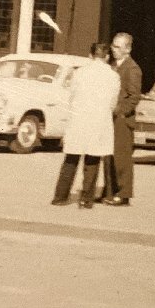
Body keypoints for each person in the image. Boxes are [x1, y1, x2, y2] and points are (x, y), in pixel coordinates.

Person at [52, 43, 120, 209]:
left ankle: (60, 196)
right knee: (93, 159)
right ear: (107, 57)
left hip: (79, 119)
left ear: (90, 55)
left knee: (71, 158)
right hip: (99, 121)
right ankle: (86, 199)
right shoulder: (113, 76)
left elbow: (72, 96)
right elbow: (113, 103)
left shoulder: (79, 73)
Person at [101, 32, 143, 207]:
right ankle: (109, 191)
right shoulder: (111, 66)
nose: (114, 50)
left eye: (118, 47)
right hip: (108, 118)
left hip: (122, 120)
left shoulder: (132, 69)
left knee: (122, 157)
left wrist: (120, 112)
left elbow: (134, 97)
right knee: (107, 156)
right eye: (113, 46)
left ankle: (123, 193)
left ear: (128, 49)